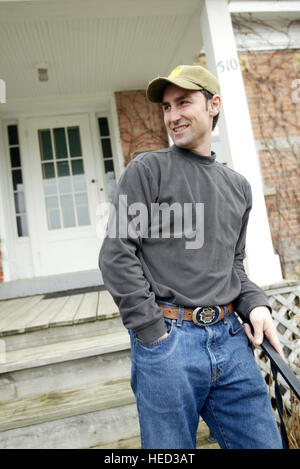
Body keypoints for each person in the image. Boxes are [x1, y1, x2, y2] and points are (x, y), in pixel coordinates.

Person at [99, 64, 284, 449]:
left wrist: (256, 305)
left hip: (232, 341)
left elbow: (234, 264)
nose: (173, 116)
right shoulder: (148, 170)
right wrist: (153, 333)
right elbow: (117, 255)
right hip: (169, 342)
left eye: (183, 102)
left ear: (213, 104)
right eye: (166, 107)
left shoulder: (238, 187)